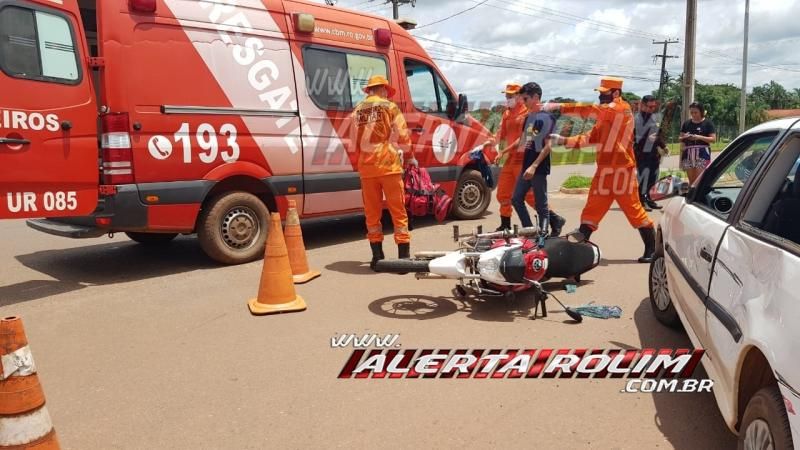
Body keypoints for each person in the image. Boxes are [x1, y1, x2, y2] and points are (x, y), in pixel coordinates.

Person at [549, 76, 656, 263]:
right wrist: (563, 140)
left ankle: (652, 249)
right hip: (604, 171)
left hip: (623, 171)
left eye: (604, 94)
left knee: (634, 212)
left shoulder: (621, 109)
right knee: (591, 211)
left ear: (616, 93)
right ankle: (577, 255)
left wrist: (562, 107)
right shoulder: (605, 116)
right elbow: (589, 138)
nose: (601, 97)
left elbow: (593, 110)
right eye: (600, 94)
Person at [351, 75, 417, 271]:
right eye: (386, 90)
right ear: (381, 89)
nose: (387, 93)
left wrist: (361, 162)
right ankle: (403, 260)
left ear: (369, 90)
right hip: (388, 166)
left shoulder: (357, 111)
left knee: (372, 215)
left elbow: (353, 142)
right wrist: (410, 155)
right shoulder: (390, 107)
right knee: (398, 212)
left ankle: (377, 259)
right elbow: (403, 135)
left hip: (367, 169)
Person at [490, 83, 566, 235]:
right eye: (506, 96)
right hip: (511, 158)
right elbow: (501, 133)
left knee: (530, 196)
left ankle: (553, 219)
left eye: (511, 95)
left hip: (525, 158)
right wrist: (496, 146)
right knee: (503, 194)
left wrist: (534, 163)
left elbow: (529, 139)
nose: (508, 98)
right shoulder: (507, 114)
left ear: (520, 96)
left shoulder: (528, 112)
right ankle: (506, 224)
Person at [511, 82, 559, 241]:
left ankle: (543, 235)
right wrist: (503, 150)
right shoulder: (529, 118)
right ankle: (530, 230)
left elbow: (548, 145)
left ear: (536, 97)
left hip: (538, 167)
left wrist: (534, 165)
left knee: (541, 204)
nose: (523, 102)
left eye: (525, 98)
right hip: (527, 165)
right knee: (516, 199)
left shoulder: (547, 118)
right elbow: (524, 139)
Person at [634, 95, 668, 211]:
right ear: (642, 105)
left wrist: (663, 146)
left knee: (653, 177)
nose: (652, 109)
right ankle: (641, 201)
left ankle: (649, 199)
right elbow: (635, 137)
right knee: (644, 177)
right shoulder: (637, 119)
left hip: (654, 153)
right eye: (649, 106)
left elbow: (657, 134)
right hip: (642, 153)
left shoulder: (653, 118)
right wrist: (647, 138)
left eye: (654, 106)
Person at [679, 102, 716, 185]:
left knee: (699, 180)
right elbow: (680, 138)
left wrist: (699, 137)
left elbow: (713, 139)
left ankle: (699, 197)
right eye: (691, 112)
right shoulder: (686, 123)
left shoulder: (708, 123)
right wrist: (685, 137)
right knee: (691, 181)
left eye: (695, 112)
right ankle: (692, 197)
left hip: (702, 153)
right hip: (688, 153)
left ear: (701, 112)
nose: (693, 115)